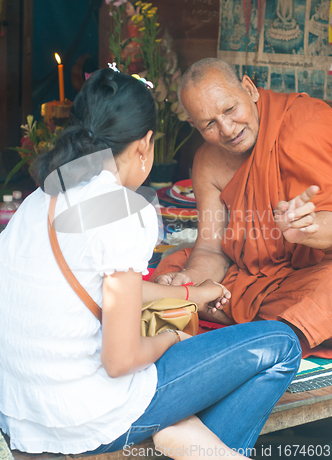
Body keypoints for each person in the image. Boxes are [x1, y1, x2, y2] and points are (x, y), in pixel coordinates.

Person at [0, 68, 301, 458]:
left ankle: (187, 432)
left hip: (21, 417)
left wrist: (191, 293)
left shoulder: (38, 200)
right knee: (280, 343)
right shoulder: (124, 210)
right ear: (145, 144)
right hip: (86, 420)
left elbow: (104, 288)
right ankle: (189, 436)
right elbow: (121, 360)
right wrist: (173, 339)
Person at [152, 57, 332, 354]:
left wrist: (309, 230)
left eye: (230, 109)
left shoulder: (309, 122)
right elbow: (211, 248)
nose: (226, 128)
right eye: (209, 124)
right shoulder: (208, 162)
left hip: (317, 269)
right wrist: (190, 280)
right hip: (258, 276)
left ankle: (246, 322)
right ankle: (281, 326)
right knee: (173, 268)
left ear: (249, 89)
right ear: (193, 125)